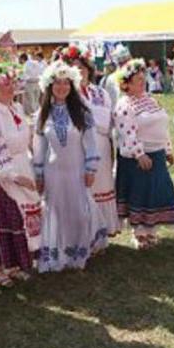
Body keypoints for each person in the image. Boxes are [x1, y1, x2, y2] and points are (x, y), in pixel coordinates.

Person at [34, 61, 108, 272]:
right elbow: (39, 146)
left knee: (79, 211)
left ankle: (80, 249)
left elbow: (91, 142)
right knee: (56, 210)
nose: (62, 87)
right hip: (53, 172)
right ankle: (59, 252)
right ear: (49, 86)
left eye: (66, 83)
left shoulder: (82, 111)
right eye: (57, 82)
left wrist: (91, 168)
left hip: (77, 170)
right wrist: (38, 174)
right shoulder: (42, 114)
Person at [0, 63, 42, 287]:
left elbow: (26, 138)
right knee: (4, 216)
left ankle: (15, 264)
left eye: (11, 83)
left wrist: (31, 163)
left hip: (20, 163)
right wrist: (13, 175)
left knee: (21, 214)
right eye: (3, 85)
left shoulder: (17, 108)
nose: (8, 88)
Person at [113, 59, 174, 249]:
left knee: (155, 193)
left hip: (157, 155)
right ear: (126, 84)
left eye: (144, 79)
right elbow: (127, 132)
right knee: (139, 194)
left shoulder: (150, 100)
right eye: (138, 80)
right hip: (137, 159)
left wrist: (168, 149)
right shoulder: (124, 104)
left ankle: (151, 230)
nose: (143, 83)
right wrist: (139, 154)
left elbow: (162, 125)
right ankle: (139, 233)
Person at [64, 45, 121, 237]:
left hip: (102, 143)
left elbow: (110, 117)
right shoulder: (66, 94)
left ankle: (105, 229)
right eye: (74, 68)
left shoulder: (100, 92)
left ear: (88, 69)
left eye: (82, 67)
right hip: (80, 145)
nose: (79, 71)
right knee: (86, 185)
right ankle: (87, 232)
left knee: (103, 182)